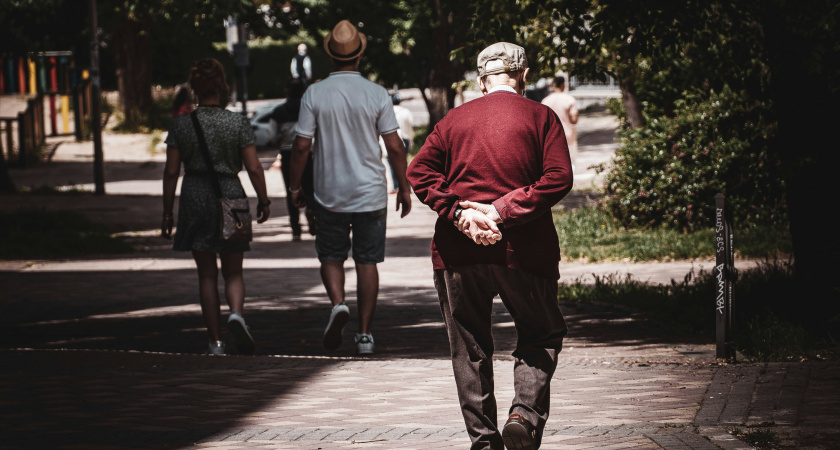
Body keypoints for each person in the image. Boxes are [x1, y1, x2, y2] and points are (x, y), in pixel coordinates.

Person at [407, 42, 573, 450]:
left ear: (481, 81)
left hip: (457, 252)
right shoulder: (541, 117)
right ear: (524, 76)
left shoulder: (452, 120)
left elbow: (419, 171)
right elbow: (558, 177)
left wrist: (460, 213)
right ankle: (524, 416)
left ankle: (484, 443)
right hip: (525, 250)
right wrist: (501, 210)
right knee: (541, 333)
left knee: (468, 348)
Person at [287, 20, 412, 356]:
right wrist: (403, 187)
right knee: (367, 262)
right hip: (371, 192)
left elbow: (301, 146)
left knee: (330, 255)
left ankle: (339, 304)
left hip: (329, 193)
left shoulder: (315, 93)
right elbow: (395, 146)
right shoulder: (377, 93)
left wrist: (295, 186)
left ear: (330, 56)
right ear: (359, 55)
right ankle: (365, 335)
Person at [161, 58, 271, 356]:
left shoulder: (181, 124)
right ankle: (236, 313)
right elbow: (254, 167)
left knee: (207, 275)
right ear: (222, 86)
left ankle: (216, 342)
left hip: (195, 196)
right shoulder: (237, 122)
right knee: (233, 271)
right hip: (231, 196)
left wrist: (167, 212)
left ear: (194, 87)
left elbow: (171, 172)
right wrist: (263, 200)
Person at [270, 80, 315, 241]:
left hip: (287, 154)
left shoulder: (278, 112)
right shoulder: (309, 110)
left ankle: (295, 228)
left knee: (291, 189)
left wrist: (281, 141)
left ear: (286, 91)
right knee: (310, 187)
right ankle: (311, 211)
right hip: (307, 153)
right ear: (303, 92)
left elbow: (272, 135)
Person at [541, 76, 579, 171]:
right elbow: (574, 120)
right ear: (563, 85)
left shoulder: (545, 101)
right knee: (570, 163)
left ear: (553, 85)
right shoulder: (569, 99)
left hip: (551, 136)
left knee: (554, 163)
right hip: (567, 135)